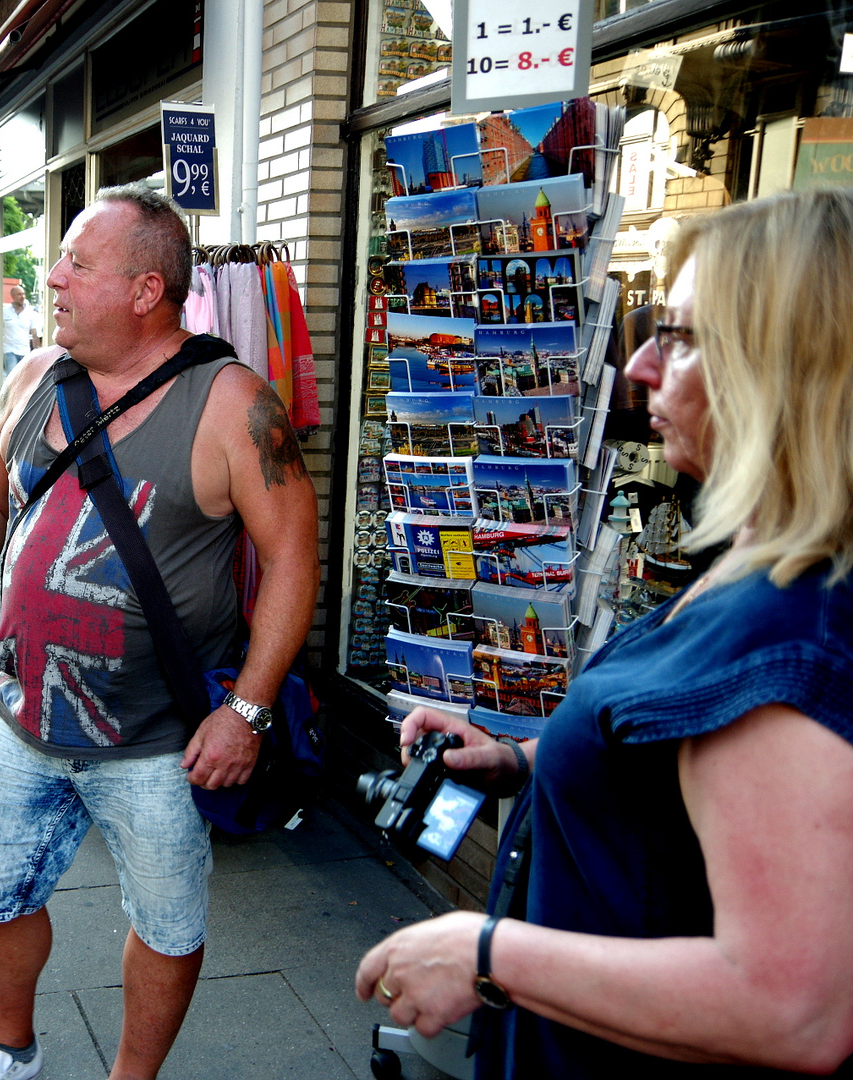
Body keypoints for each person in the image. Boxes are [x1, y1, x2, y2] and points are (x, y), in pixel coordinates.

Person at [355, 189, 853, 1077]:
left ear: (786, 368)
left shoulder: (790, 635)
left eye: (685, 338)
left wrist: (487, 956)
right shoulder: (759, 567)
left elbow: (791, 1008)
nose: (641, 368)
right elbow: (668, 764)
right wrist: (519, 759)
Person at [0, 185, 320, 1080]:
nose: (53, 275)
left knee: (168, 923)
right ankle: (11, 1051)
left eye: (76, 261)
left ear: (146, 291)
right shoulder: (37, 376)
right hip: (21, 719)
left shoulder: (233, 403)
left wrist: (250, 712)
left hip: (160, 740)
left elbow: (295, 560)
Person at [0, 282, 42, 375]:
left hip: (24, 351)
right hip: (9, 350)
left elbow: (34, 334)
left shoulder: (30, 313)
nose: (22, 296)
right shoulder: (4, 312)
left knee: (23, 379)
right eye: (19, 294)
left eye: (23, 294)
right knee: (11, 378)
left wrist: (38, 352)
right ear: (13, 296)